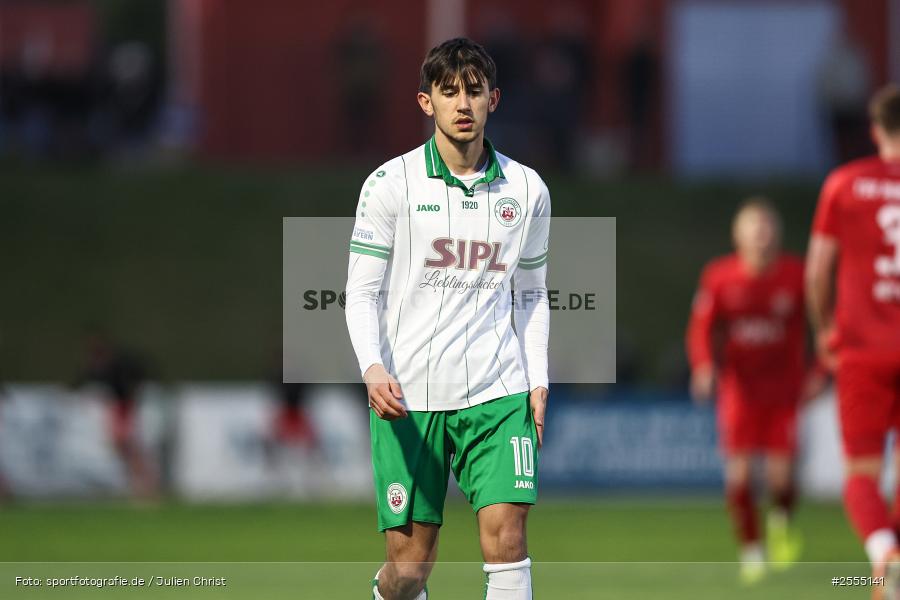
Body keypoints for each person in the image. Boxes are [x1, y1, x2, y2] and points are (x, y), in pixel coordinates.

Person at [344, 38, 550, 600]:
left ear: (494, 100)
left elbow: (531, 293)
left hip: (497, 390)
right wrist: (371, 367)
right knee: (409, 570)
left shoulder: (527, 189)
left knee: (507, 539)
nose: (463, 103)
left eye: (474, 91)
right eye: (449, 91)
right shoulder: (391, 185)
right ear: (425, 102)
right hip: (410, 397)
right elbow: (360, 292)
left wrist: (537, 376)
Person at [687, 199, 825, 584]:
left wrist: (819, 371)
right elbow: (701, 328)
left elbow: (822, 321)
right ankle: (751, 550)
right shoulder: (719, 276)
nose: (761, 234)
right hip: (739, 390)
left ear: (776, 233)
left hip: (784, 389)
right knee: (740, 478)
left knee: (781, 479)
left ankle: (781, 518)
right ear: (738, 234)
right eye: (753, 226)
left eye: (767, 226)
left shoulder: (797, 275)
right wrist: (703, 366)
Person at [806, 84, 900, 598]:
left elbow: (818, 271)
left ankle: (884, 551)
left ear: (875, 128)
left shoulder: (845, 183)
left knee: (862, 471)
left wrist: (825, 332)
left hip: (863, 347)